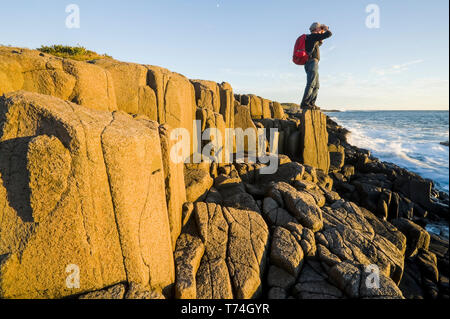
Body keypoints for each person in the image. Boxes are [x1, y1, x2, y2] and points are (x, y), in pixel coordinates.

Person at [300, 22, 333, 110]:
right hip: (311, 62)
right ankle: (305, 103)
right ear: (316, 29)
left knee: (316, 85)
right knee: (311, 83)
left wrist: (321, 32)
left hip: (313, 63)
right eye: (320, 28)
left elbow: (319, 43)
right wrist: (325, 29)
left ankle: (311, 103)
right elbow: (329, 34)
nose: (321, 29)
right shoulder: (312, 36)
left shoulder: (313, 38)